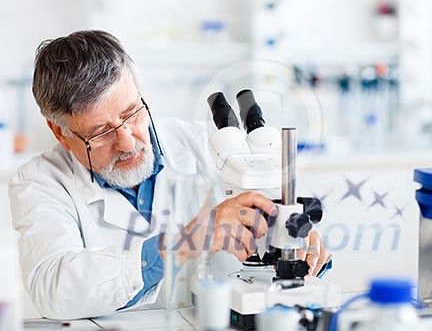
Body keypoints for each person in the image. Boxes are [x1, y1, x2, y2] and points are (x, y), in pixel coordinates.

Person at [9, 30, 332, 320]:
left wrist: (294, 243)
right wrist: (181, 242)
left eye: (131, 113)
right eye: (100, 133)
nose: (127, 142)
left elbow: (273, 227)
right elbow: (54, 291)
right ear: (59, 132)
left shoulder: (210, 146)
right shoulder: (40, 181)